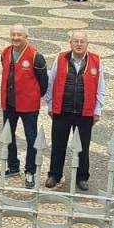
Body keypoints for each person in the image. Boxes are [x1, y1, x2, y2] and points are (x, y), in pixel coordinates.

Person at [44, 31, 105, 191]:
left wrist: (97, 110)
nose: (79, 44)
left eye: (82, 41)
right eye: (75, 41)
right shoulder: (60, 58)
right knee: (58, 145)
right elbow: (51, 82)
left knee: (82, 147)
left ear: (87, 44)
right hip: (62, 110)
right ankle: (54, 174)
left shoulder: (96, 61)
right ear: (70, 43)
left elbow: (100, 87)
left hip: (84, 112)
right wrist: (50, 105)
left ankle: (82, 177)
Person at [0, 25, 49, 189]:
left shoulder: (36, 56)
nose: (15, 38)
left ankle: (30, 171)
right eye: (13, 34)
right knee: (8, 135)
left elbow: (43, 82)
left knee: (31, 138)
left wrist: (33, 95)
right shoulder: (5, 52)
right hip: (9, 103)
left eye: (19, 35)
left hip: (29, 105)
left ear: (26, 37)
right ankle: (13, 166)